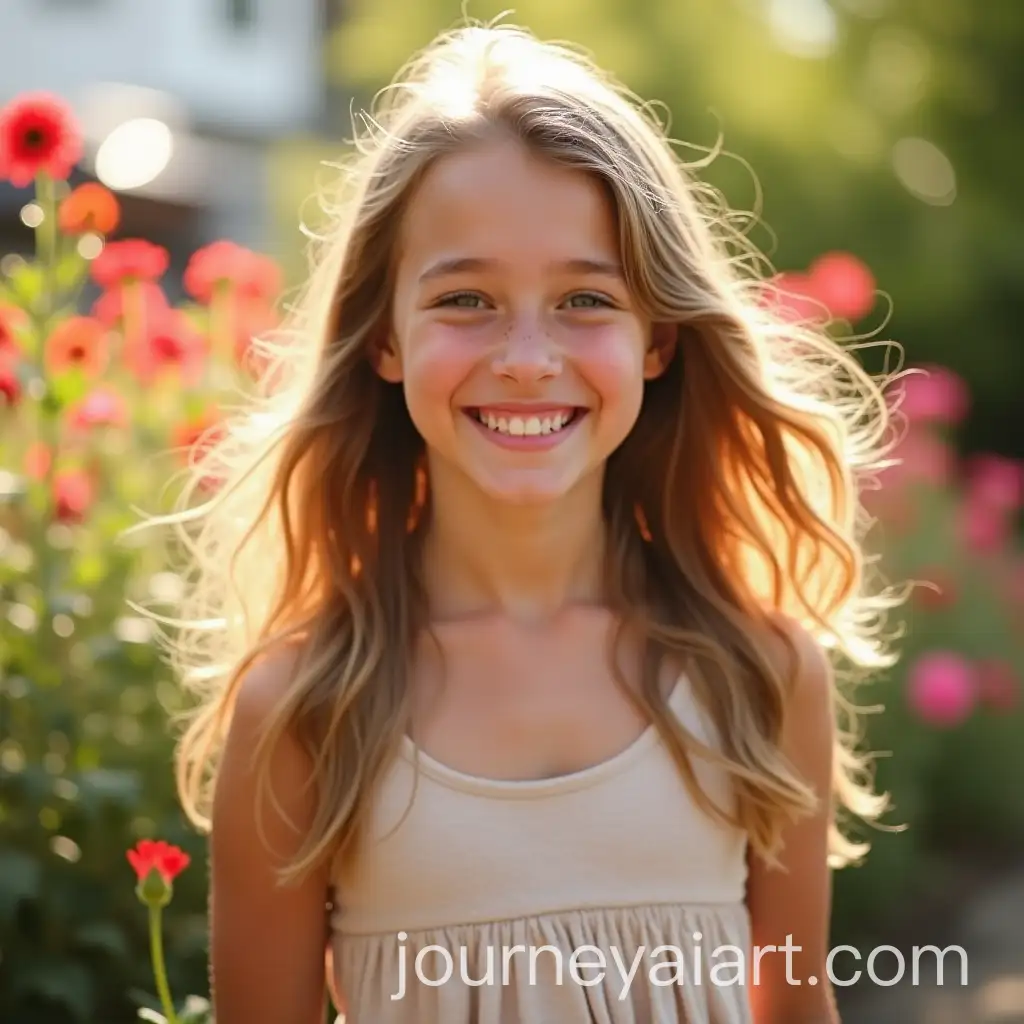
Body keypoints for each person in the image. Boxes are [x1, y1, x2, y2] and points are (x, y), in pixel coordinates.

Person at [155, 19, 903, 1024]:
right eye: (465, 297)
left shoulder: (758, 676)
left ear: (656, 340)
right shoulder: (306, 709)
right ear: (384, 339)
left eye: (585, 298)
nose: (524, 356)